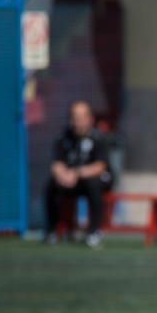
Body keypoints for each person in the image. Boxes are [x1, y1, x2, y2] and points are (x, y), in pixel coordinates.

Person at [44, 100, 113, 248]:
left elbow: (100, 166)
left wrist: (76, 173)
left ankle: (93, 232)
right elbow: (56, 163)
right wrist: (62, 175)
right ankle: (52, 230)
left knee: (93, 183)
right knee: (52, 184)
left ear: (90, 119)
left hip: (95, 180)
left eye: (82, 118)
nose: (78, 122)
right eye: (75, 118)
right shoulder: (64, 138)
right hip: (71, 180)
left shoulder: (99, 138)